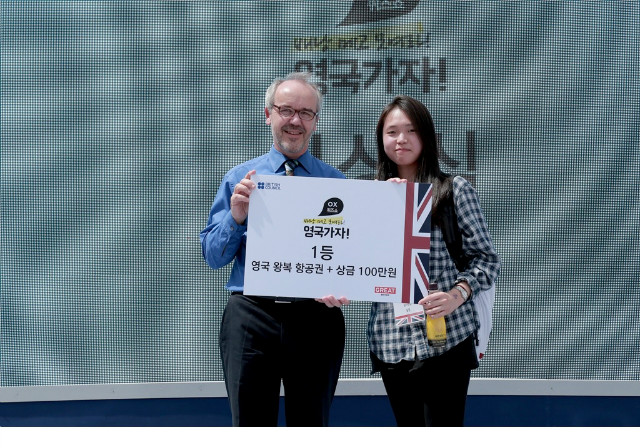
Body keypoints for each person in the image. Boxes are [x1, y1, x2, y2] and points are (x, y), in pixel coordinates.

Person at [200, 72, 349, 427]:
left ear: (315, 122)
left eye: (306, 113)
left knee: (311, 425)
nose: (295, 120)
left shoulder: (337, 185)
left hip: (315, 318)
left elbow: (349, 258)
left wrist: (343, 285)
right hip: (252, 316)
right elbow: (213, 257)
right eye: (286, 110)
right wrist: (236, 217)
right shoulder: (241, 180)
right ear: (268, 115)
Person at [367, 95, 501, 426]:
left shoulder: (454, 189)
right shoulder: (369, 197)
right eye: (392, 132)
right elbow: (360, 264)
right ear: (381, 139)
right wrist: (383, 207)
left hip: (447, 335)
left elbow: (487, 260)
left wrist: (457, 294)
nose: (401, 139)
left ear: (426, 136)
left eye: (411, 130)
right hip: (392, 340)